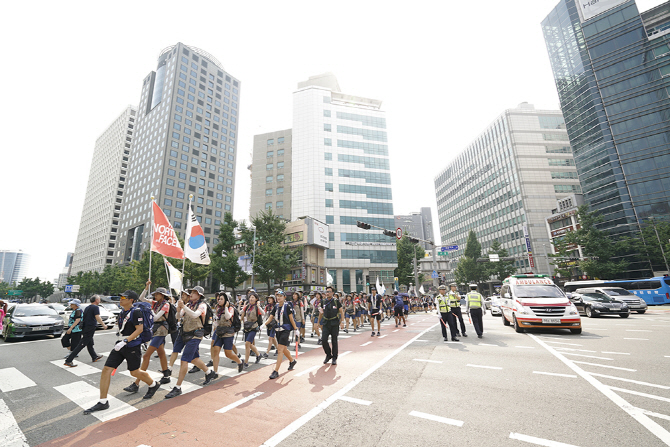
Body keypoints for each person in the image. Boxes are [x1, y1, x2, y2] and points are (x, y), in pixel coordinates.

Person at [83, 290, 161, 414]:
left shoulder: (136, 312)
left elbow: (139, 329)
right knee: (106, 370)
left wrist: (125, 341)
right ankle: (103, 401)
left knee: (134, 372)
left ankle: (153, 384)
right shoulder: (122, 312)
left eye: (124, 297)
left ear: (131, 300)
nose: (121, 299)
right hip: (119, 345)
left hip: (131, 345)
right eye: (121, 297)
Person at [165, 286, 216, 398]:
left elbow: (194, 315)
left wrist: (183, 307)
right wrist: (179, 309)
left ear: (199, 295)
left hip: (195, 335)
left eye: (194, 292)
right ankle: (209, 373)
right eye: (191, 292)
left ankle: (177, 387)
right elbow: (178, 317)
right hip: (184, 332)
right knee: (193, 358)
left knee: (184, 360)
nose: (191, 294)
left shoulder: (202, 305)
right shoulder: (188, 305)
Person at [123, 285, 173, 394]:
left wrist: (149, 310)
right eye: (154, 294)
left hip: (161, 330)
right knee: (161, 353)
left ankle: (136, 383)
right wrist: (146, 287)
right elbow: (142, 298)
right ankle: (166, 374)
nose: (155, 296)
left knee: (146, 355)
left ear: (163, 295)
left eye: (157, 294)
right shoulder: (155, 303)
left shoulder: (166, 305)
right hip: (154, 329)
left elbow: (155, 318)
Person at [64, 295, 107, 367]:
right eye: (99, 299)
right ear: (96, 300)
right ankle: (69, 360)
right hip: (90, 328)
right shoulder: (95, 307)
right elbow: (97, 317)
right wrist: (103, 325)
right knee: (81, 344)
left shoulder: (87, 307)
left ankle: (94, 356)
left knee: (89, 343)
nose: (100, 300)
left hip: (85, 327)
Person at [264, 290, 298, 379]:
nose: (278, 297)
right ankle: (292, 360)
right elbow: (271, 317)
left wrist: (296, 329)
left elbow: (291, 319)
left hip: (285, 330)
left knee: (279, 350)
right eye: (277, 296)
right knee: (283, 349)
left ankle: (276, 371)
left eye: (280, 296)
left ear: (284, 297)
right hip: (277, 329)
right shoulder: (275, 306)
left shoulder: (287, 306)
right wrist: (263, 324)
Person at [211, 293, 244, 374]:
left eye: (221, 299)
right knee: (216, 351)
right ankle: (215, 372)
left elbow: (228, 317)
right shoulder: (218, 309)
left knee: (228, 354)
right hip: (219, 332)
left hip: (228, 333)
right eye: (219, 299)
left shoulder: (230, 308)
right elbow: (217, 320)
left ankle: (239, 362)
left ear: (226, 301)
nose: (219, 300)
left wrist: (226, 307)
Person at [319, 286, 344, 365]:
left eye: (329, 291)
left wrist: (342, 322)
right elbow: (321, 312)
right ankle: (328, 355)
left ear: (333, 293)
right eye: (327, 292)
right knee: (324, 340)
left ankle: (334, 357)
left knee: (334, 341)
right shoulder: (323, 302)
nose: (327, 293)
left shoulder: (336, 301)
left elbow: (341, 311)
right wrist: (318, 323)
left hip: (334, 323)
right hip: (326, 323)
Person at [242, 293, 264, 367]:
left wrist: (259, 306)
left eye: (253, 297)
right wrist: (240, 305)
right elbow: (240, 312)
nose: (251, 299)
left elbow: (263, 313)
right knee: (250, 344)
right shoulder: (247, 306)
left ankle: (246, 362)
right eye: (250, 297)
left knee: (247, 344)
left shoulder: (256, 307)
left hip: (254, 327)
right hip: (247, 327)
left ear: (256, 299)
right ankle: (258, 354)